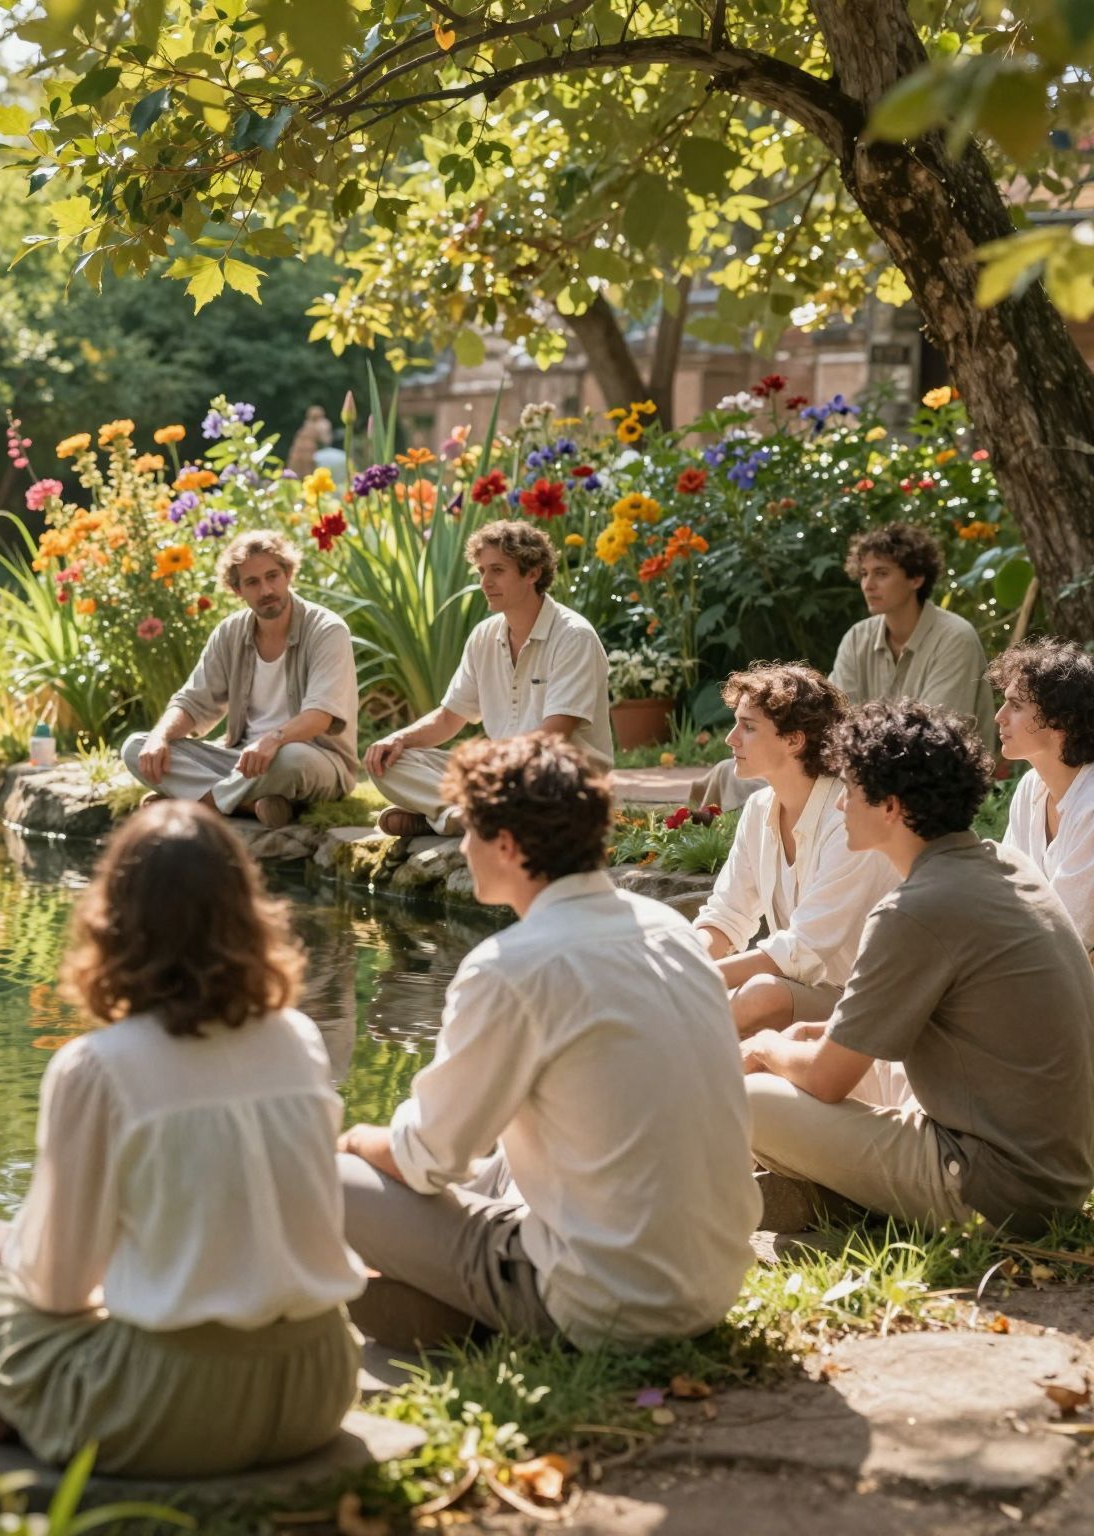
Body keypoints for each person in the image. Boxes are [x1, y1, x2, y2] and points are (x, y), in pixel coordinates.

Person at [0, 800, 365, 1477]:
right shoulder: (298, 1038)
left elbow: (58, 1288)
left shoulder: (98, 1068)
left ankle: (30, 1411)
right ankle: (34, 1404)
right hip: (322, 1383)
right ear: (247, 914)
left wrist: (3, 1242)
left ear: (113, 923)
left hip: (174, 1408)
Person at [336, 733, 758, 1349]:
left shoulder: (509, 966)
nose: (463, 846)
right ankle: (442, 1305)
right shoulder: (672, 932)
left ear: (506, 845)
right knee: (517, 1142)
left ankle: (457, 1308)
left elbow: (425, 1162)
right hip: (715, 1283)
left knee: (333, 1175)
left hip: (607, 1302)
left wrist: (354, 1138)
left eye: (470, 831)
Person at [743, 701, 1094, 1230]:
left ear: (891, 807)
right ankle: (844, 1194)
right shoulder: (1001, 863)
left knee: (751, 1098)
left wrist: (762, 1047)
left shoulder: (915, 908)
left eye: (850, 789)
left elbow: (826, 1079)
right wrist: (818, 1034)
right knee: (806, 1056)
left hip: (997, 1187)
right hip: (1054, 1171)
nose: (840, 805)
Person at [701, 522, 995, 810]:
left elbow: (935, 735)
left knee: (767, 785)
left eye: (881, 573)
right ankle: (717, 839)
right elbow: (831, 721)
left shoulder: (955, 637)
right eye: (864, 574)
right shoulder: (859, 637)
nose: (868, 584)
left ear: (916, 578)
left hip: (934, 778)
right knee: (733, 773)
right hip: (862, 767)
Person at [364, 520, 612, 839]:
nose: (485, 582)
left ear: (533, 573)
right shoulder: (483, 636)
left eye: (497, 570)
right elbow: (449, 718)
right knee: (389, 763)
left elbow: (554, 738)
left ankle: (453, 816)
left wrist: (483, 766)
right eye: (481, 571)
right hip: (499, 777)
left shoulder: (574, 637)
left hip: (557, 780)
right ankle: (469, 816)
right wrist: (398, 740)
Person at [694, 665, 900, 1046]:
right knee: (709, 997)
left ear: (793, 740)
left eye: (748, 727)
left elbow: (802, 949)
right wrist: (684, 962)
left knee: (759, 994)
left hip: (871, 1007)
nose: (730, 738)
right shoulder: (759, 809)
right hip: (808, 993)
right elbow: (726, 916)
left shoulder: (849, 815)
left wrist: (690, 979)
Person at [121, 529, 359, 828]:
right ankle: (248, 805)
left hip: (313, 758)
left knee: (291, 758)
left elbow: (321, 715)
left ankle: (199, 802)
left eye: (273, 576)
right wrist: (160, 737)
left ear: (288, 574)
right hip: (240, 761)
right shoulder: (230, 632)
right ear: (238, 590)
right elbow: (193, 702)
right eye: (252, 582)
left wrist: (273, 741)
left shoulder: (327, 630)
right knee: (136, 746)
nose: (266, 590)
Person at [993, 639, 1094, 1111]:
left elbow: (1068, 933)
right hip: (1052, 977)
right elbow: (1010, 893)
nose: (1000, 717)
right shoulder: (1033, 787)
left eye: (1015, 706)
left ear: (1061, 720)